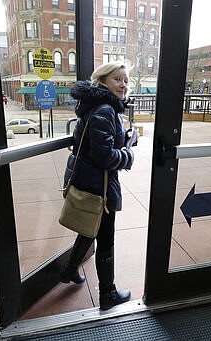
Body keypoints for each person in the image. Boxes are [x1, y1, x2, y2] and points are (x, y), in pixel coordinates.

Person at [60, 61, 138, 310]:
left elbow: (95, 143)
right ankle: (108, 294)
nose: (123, 85)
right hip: (99, 187)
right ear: (103, 81)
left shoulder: (95, 107)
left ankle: (69, 270)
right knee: (106, 239)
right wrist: (128, 155)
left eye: (126, 80)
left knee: (89, 227)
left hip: (88, 180)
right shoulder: (106, 110)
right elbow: (104, 157)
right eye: (118, 79)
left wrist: (122, 139)